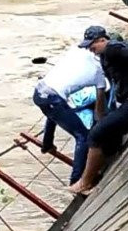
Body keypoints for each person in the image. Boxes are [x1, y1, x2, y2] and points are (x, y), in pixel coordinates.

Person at [69, 26, 128, 195]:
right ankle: (94, 175)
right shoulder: (105, 55)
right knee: (106, 136)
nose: (90, 49)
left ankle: (85, 184)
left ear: (102, 40)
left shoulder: (112, 48)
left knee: (95, 134)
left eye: (92, 45)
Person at [33, 35, 108, 185]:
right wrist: (101, 126)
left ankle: (47, 144)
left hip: (39, 92)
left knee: (54, 113)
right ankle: (77, 181)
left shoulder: (76, 51)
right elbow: (100, 109)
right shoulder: (100, 73)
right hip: (54, 99)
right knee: (84, 136)